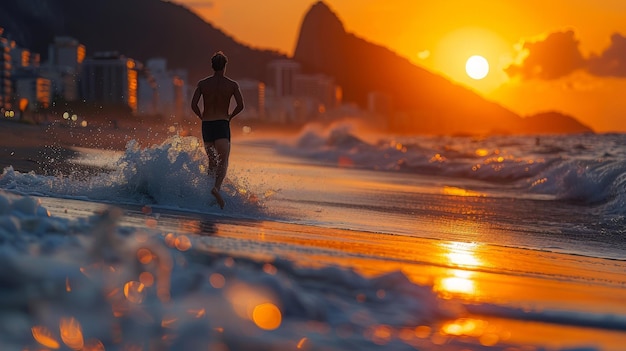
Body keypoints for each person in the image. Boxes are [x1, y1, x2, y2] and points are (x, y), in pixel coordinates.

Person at [191, 51, 244, 209]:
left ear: (212, 66)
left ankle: (207, 195)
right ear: (225, 66)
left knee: (212, 163)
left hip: (207, 125)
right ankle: (216, 188)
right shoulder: (232, 85)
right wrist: (230, 116)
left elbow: (193, 105)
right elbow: (241, 106)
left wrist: (201, 117)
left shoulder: (203, 84)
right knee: (223, 161)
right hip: (222, 124)